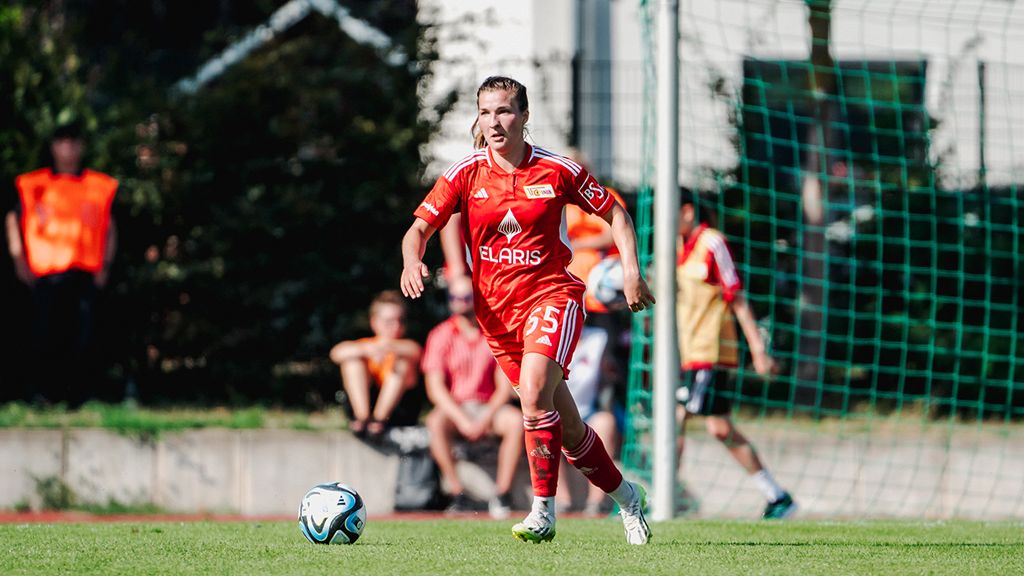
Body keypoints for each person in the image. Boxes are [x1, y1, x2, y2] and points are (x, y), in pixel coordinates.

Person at [401, 75, 655, 544]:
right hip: (497, 316)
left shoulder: (557, 171)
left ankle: (542, 512)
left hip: (553, 297)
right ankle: (628, 497)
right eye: (484, 112)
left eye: (503, 111)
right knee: (571, 431)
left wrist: (631, 271)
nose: (493, 122)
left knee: (534, 392)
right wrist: (412, 260)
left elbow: (616, 213)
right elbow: (418, 228)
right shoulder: (465, 174)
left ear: (524, 116)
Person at [675, 192, 797, 519]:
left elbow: (737, 298)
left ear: (687, 211)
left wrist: (758, 350)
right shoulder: (676, 249)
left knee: (675, 421)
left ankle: (664, 497)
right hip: (689, 353)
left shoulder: (713, 243)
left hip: (712, 351)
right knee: (718, 428)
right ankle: (776, 495)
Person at [5, 121, 118, 404]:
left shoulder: (98, 185)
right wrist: (18, 258)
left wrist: (105, 265)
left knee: (83, 339)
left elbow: (110, 226)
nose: (68, 149)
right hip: (45, 275)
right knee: (43, 338)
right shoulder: (34, 184)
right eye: (62, 142)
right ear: (53, 147)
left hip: (84, 274)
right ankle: (42, 396)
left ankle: (78, 398)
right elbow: (12, 219)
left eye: (73, 142)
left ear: (81, 147)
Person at [422, 275, 523, 519]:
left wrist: (484, 419)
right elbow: (435, 389)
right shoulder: (440, 335)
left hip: (490, 407)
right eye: (456, 297)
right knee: (435, 422)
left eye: (467, 297)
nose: (461, 302)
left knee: (517, 421)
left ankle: (502, 493)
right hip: (457, 408)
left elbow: (505, 387)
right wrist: (463, 420)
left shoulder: (495, 333)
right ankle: (457, 494)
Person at [329, 290, 422, 438]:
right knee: (352, 363)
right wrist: (367, 349)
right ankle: (362, 417)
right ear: (374, 322)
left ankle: (379, 419)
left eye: (401, 320)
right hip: (368, 402)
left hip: (399, 410)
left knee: (402, 364)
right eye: (389, 321)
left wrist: (386, 347)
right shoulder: (366, 345)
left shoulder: (406, 346)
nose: (396, 326)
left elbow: (416, 352)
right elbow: (336, 353)